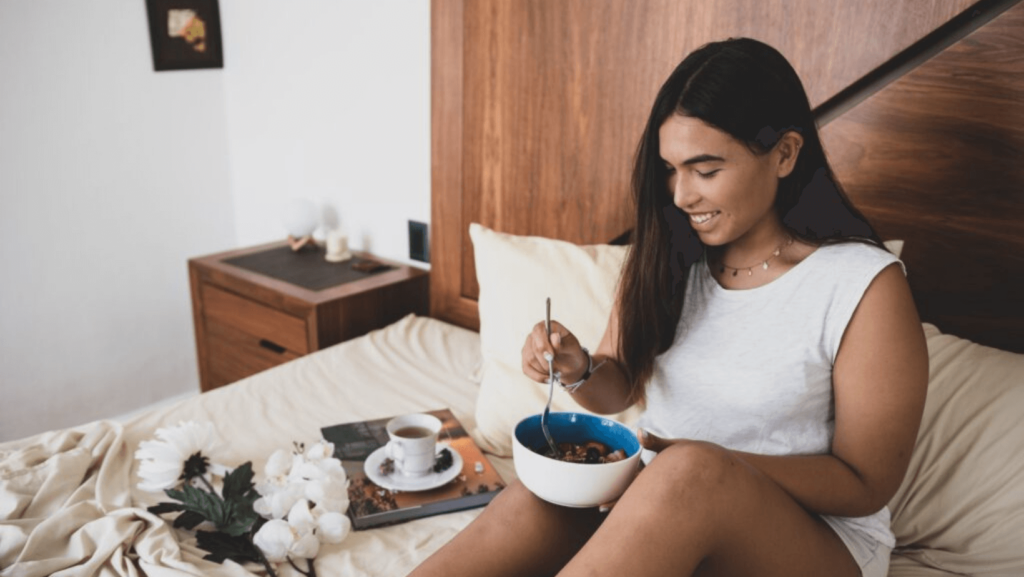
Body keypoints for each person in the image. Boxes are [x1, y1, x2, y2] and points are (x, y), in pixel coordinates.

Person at [410, 37, 928, 577]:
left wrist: (685, 460)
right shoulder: (671, 256)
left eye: (706, 171)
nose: (682, 196)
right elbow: (619, 388)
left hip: (814, 542)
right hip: (664, 501)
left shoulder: (863, 285)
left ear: (785, 154)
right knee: (540, 495)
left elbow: (865, 482)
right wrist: (579, 368)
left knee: (691, 472)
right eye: (671, 170)